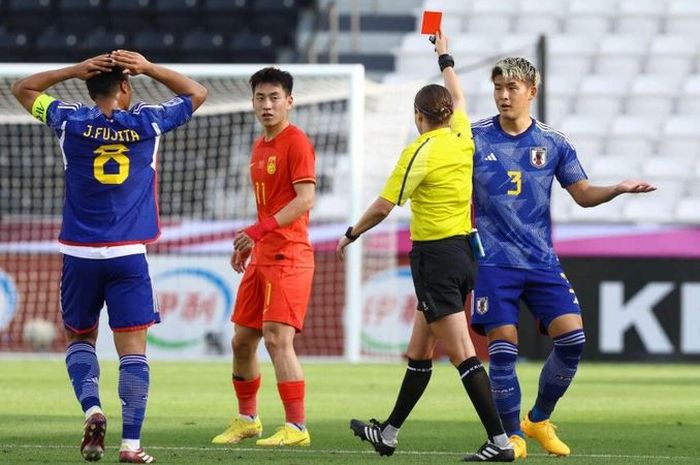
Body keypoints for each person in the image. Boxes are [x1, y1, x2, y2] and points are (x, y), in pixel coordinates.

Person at [11, 51, 207, 463]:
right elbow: (197, 93)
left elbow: (22, 88)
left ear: (89, 85)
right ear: (125, 86)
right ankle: (132, 446)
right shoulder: (147, 121)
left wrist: (73, 70)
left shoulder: (70, 121)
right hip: (128, 255)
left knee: (81, 338)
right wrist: (149, 67)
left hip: (79, 255)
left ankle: (93, 410)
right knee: (133, 351)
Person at [337, 30, 514, 463]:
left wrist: (351, 233)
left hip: (435, 260)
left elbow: (382, 206)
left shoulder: (419, 150)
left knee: (464, 356)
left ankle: (501, 442)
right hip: (463, 254)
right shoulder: (462, 135)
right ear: (448, 114)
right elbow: (457, 92)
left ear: (419, 116)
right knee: (419, 352)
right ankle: (389, 432)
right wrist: (444, 55)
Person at [470, 57, 656, 459]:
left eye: (512, 88)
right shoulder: (474, 139)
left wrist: (618, 189)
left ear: (531, 92)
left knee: (573, 339)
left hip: (540, 261)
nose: (503, 95)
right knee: (503, 347)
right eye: (498, 87)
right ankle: (510, 438)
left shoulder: (554, 143)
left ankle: (536, 420)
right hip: (494, 262)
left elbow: (583, 194)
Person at [212, 67, 316, 448]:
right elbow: (269, 209)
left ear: (289, 101)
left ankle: (297, 427)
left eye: (275, 98)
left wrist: (258, 232)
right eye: (260, 98)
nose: (267, 105)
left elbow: (305, 199)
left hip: (290, 256)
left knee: (276, 339)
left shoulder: (297, 143)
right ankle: (247, 419)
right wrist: (251, 243)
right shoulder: (259, 147)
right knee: (241, 341)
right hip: (263, 255)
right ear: (253, 101)